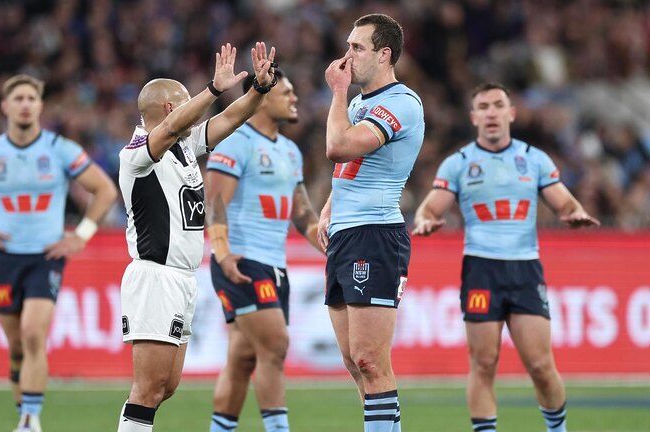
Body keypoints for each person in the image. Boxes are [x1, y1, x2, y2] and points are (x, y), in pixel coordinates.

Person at [412, 82, 600, 432]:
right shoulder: (458, 163)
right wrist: (424, 220)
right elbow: (429, 207)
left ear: (511, 113)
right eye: (483, 106)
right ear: (474, 117)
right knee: (483, 363)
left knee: (542, 365)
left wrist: (574, 213)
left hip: (525, 269)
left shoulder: (534, 159)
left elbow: (565, 202)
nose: (492, 112)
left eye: (498, 105)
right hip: (481, 270)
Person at [115, 42, 278, 432]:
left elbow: (231, 119)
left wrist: (258, 88)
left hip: (183, 278)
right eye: (188, 102)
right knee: (148, 388)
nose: (197, 108)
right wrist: (214, 88)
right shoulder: (137, 153)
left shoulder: (184, 146)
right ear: (171, 108)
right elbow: (172, 126)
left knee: (166, 387)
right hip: (155, 275)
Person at [0, 74, 118, 432]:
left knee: (33, 333)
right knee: (17, 346)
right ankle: (24, 413)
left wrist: (80, 236)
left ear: (40, 106)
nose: (25, 104)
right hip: (6, 257)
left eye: (31, 98)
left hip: (46, 257)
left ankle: (30, 420)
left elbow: (104, 190)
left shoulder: (60, 149)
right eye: (18, 98)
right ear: (5, 107)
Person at [317, 13, 424, 432]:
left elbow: (338, 147)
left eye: (357, 48)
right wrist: (330, 205)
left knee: (370, 359)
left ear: (385, 54)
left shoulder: (401, 103)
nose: (347, 57)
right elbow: (350, 168)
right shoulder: (362, 104)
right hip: (347, 233)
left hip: (376, 234)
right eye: (347, 45)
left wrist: (337, 93)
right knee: (352, 360)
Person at [205, 70, 322, 432]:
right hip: (242, 262)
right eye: (286, 93)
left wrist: (329, 244)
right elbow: (215, 204)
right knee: (275, 346)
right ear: (264, 98)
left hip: (275, 265)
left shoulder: (289, 150)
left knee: (242, 359)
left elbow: (301, 212)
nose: (294, 99)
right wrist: (223, 254)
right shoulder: (234, 142)